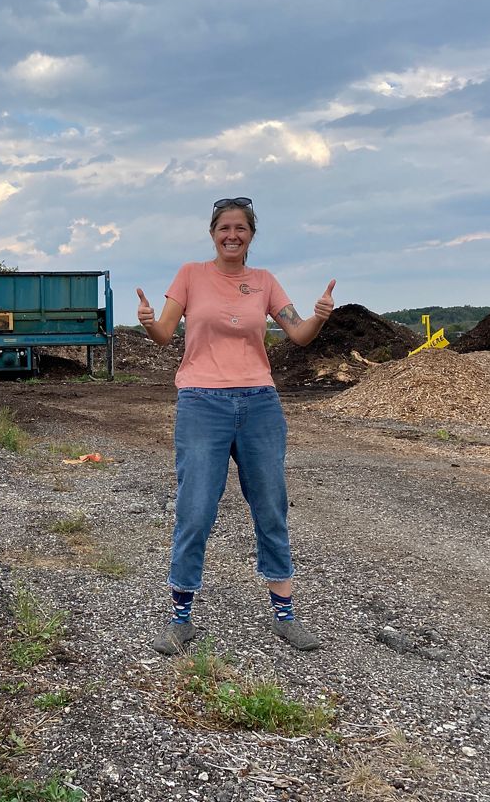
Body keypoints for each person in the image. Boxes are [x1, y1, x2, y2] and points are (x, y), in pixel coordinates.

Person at [136, 197, 335, 654]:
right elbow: (166, 335)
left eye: (240, 228)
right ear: (212, 233)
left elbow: (299, 335)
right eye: (224, 227)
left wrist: (319, 317)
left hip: (259, 403)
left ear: (251, 235)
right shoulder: (190, 274)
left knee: (270, 505)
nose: (232, 235)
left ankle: (284, 615)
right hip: (201, 402)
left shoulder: (264, 282)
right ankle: (180, 618)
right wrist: (148, 321)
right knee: (196, 508)